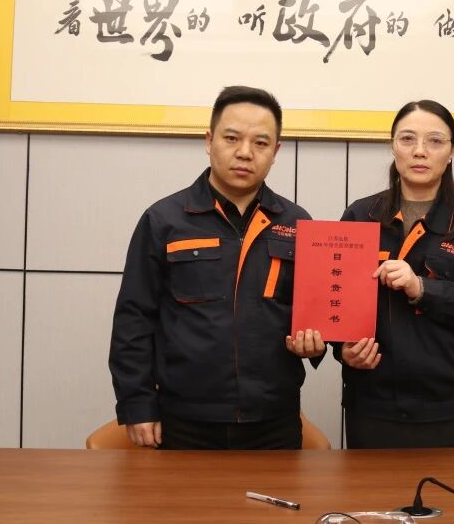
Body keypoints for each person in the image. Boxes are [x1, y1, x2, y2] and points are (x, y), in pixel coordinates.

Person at [109, 85, 324, 450]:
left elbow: (314, 315)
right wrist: (137, 404)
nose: (245, 152)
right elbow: (134, 319)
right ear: (209, 141)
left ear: (276, 152)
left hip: (273, 421)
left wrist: (314, 346)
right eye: (232, 138)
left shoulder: (297, 223)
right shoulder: (164, 220)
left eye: (260, 143)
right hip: (184, 421)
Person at [336, 99, 454, 449]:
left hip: (453, 409)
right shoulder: (360, 216)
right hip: (373, 405)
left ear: (451, 152)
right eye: (407, 139)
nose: (420, 151)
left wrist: (422, 287)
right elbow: (338, 298)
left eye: (434, 141)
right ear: (393, 147)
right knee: (373, 489)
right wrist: (342, 350)